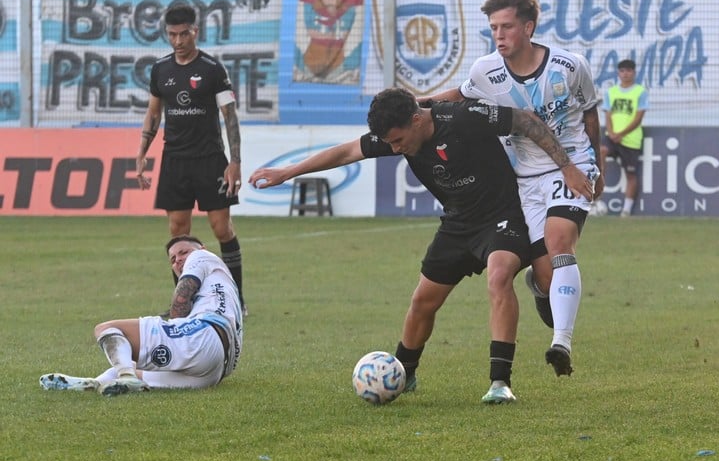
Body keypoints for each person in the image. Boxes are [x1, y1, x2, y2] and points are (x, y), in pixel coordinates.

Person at [249, 87, 591, 404]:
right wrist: (287, 172)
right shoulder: (398, 133)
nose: (395, 149)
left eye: (398, 141)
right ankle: (403, 373)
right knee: (423, 300)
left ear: (417, 120)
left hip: (503, 217)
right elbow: (348, 151)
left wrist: (568, 167)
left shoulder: (463, 117)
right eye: (390, 143)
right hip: (457, 225)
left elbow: (525, 120)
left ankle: (500, 382)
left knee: (499, 276)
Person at [421, 0, 602, 378]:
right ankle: (541, 289)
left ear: (529, 28)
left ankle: (562, 344)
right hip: (524, 180)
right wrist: (418, 102)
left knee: (559, 241)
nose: (499, 35)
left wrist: (594, 166)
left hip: (571, 166)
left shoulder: (569, 66)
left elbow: (590, 115)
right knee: (545, 272)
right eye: (493, 28)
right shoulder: (485, 71)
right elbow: (462, 95)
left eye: (506, 26)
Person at [134, 4, 247, 315]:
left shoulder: (212, 69)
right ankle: (183, 303)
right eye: (172, 34)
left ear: (195, 31)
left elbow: (230, 116)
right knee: (177, 230)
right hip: (175, 159)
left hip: (211, 158)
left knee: (221, 228)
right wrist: (142, 152)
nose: (178, 40)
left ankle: (236, 298)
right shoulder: (161, 70)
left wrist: (234, 160)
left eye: (184, 34)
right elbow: (153, 113)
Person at [40, 235, 243, 396]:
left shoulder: (202, 256)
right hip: (214, 372)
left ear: (202, 249)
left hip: (203, 338)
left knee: (107, 329)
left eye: (183, 252)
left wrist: (176, 326)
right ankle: (94, 383)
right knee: (128, 367)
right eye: (173, 259)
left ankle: (127, 377)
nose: (178, 260)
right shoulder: (225, 285)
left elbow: (183, 294)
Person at [601, 59, 648, 217]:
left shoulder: (640, 92)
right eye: (622, 71)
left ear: (634, 73)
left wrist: (621, 134)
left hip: (630, 140)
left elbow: (638, 118)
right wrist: (612, 132)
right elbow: (607, 115)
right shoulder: (611, 92)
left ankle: (626, 210)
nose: (625, 74)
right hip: (612, 136)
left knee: (631, 174)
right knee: (601, 151)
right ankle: (596, 198)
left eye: (629, 71)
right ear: (618, 73)